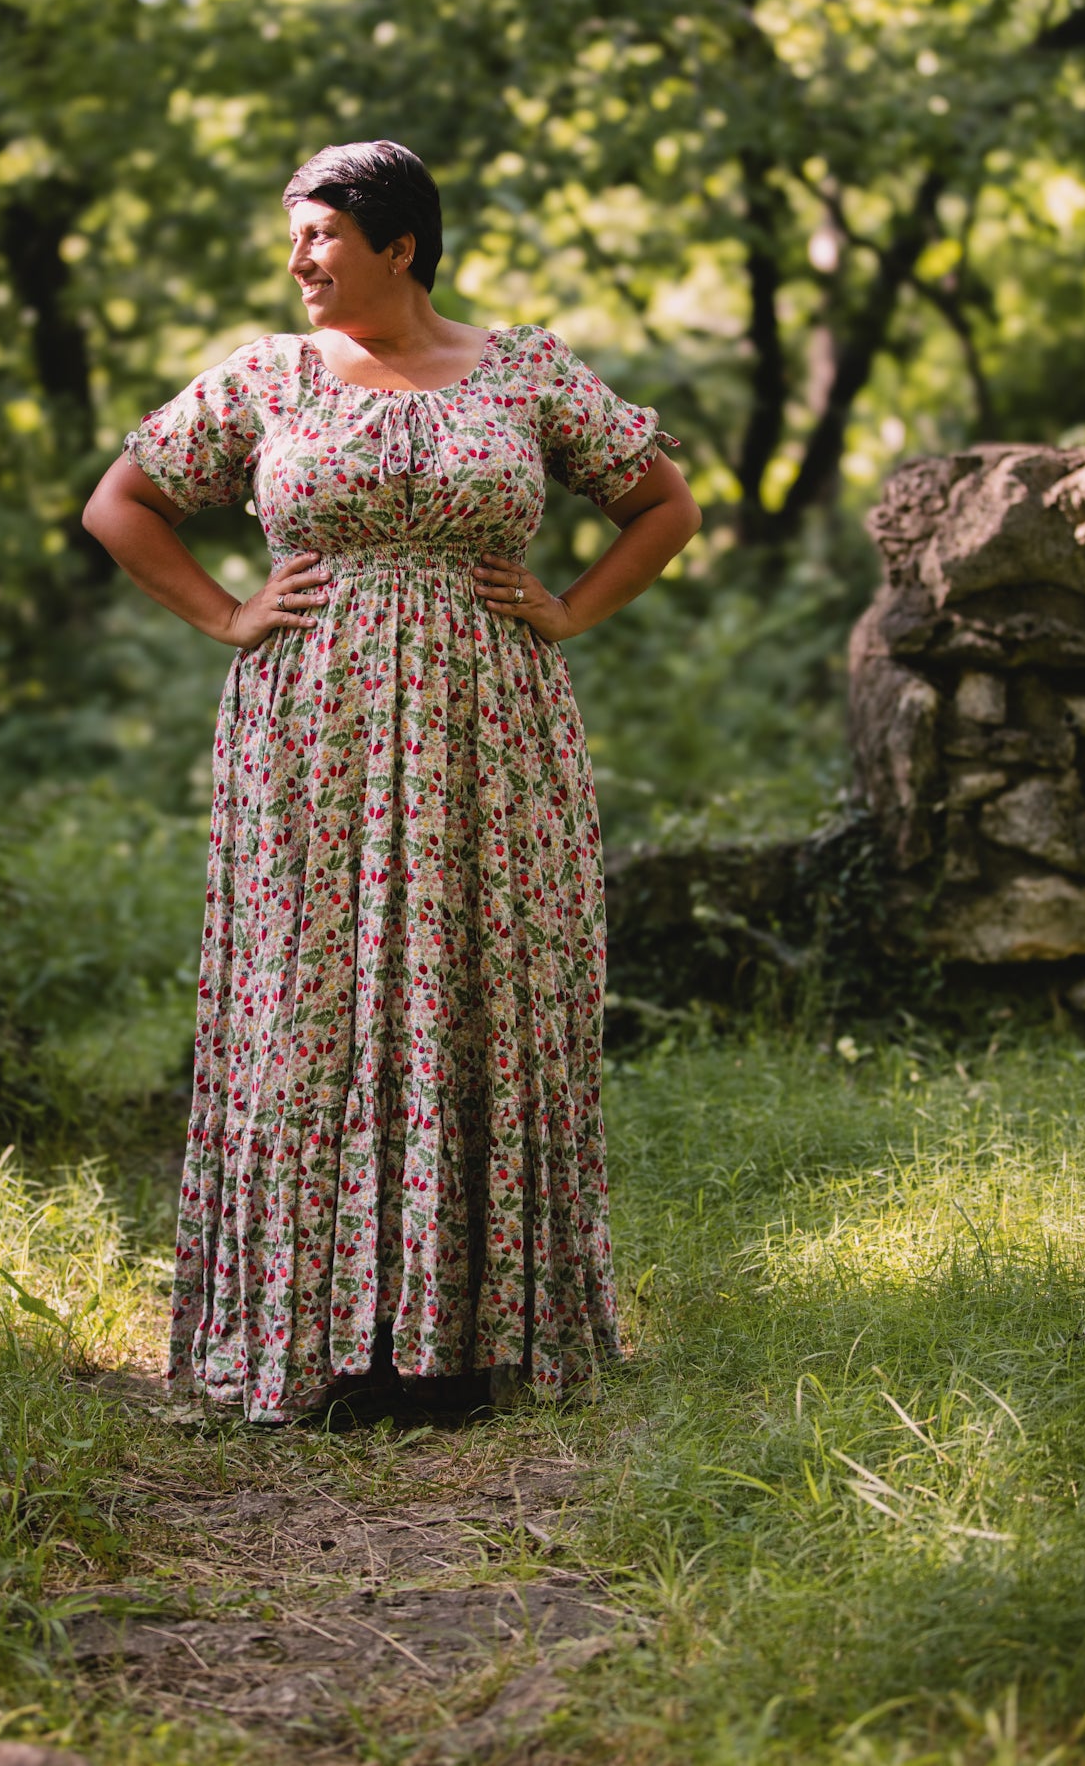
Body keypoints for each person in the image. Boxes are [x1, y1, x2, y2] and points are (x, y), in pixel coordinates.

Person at [83, 140, 701, 1424]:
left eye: (319, 235)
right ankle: (316, 1344)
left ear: (399, 245)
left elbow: (664, 503)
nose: (298, 260)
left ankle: (472, 1343)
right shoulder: (269, 376)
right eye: (294, 237)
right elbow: (120, 504)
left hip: (494, 729)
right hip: (312, 731)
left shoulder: (526, 368)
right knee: (309, 999)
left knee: (484, 986)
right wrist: (228, 613)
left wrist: (572, 607)